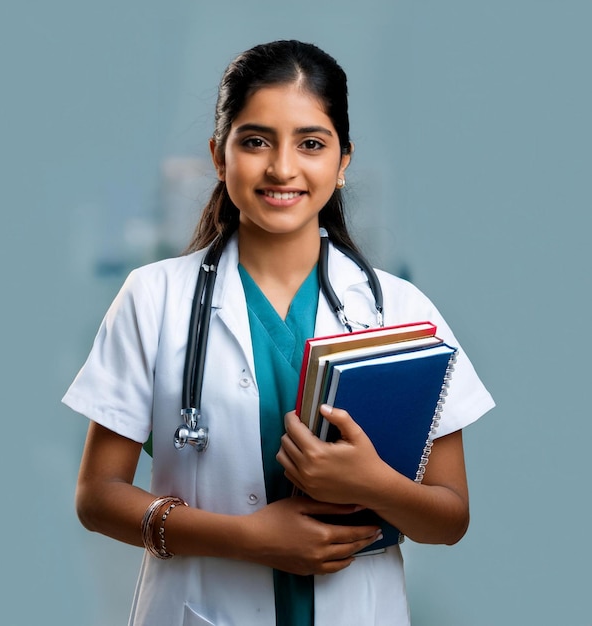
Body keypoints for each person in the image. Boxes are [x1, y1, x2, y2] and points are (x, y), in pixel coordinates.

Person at [63, 40, 494, 626]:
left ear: (343, 162)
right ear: (220, 156)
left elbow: (449, 519)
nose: (282, 168)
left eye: (311, 144)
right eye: (255, 141)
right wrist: (247, 539)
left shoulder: (400, 308)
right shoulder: (153, 297)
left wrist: (373, 484)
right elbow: (97, 497)